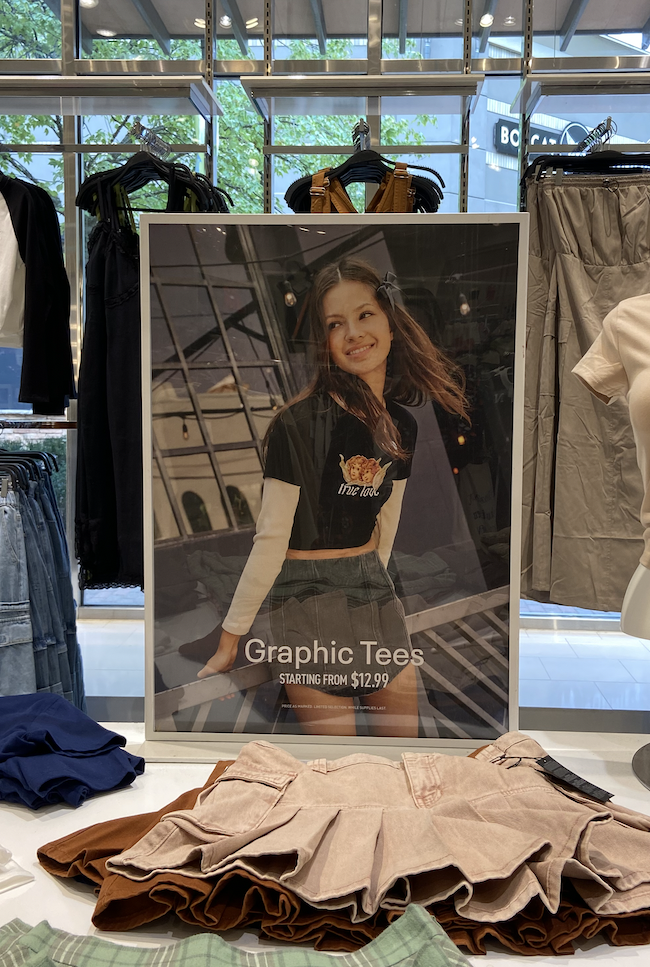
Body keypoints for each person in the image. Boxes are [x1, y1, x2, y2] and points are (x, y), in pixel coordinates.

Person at [198, 257, 469, 736]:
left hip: (374, 595)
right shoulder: (296, 423)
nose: (353, 334)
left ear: (389, 322)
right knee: (334, 771)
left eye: (365, 315)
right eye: (334, 324)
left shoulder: (403, 424)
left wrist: (376, 590)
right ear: (323, 342)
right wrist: (231, 637)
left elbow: (387, 525)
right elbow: (271, 540)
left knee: (403, 757)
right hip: (304, 601)